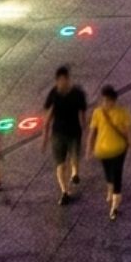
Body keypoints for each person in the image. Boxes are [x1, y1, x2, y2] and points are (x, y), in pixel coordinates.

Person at [89, 84, 131, 220]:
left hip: (119, 150)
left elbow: (128, 131)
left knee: (117, 175)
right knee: (108, 172)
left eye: (108, 100)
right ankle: (110, 190)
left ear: (114, 100)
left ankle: (114, 206)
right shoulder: (98, 112)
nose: (105, 103)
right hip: (103, 150)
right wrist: (89, 147)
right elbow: (92, 132)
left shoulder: (122, 112)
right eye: (104, 100)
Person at [44, 66, 87, 205]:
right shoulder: (54, 94)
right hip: (58, 133)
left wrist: (84, 127)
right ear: (57, 81)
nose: (62, 83)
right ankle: (64, 191)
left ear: (68, 80)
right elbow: (49, 113)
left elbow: (82, 112)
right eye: (59, 80)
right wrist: (45, 135)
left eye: (64, 79)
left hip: (74, 132)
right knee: (60, 164)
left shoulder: (77, 94)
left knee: (74, 156)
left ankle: (75, 172)